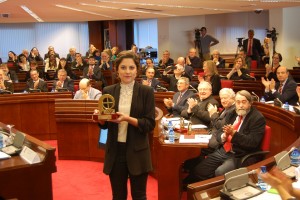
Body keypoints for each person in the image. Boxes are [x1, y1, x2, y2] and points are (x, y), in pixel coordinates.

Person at [96, 51, 155, 200]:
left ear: (137, 70)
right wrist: (100, 119)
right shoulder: (108, 91)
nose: (127, 71)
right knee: (118, 196)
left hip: (138, 150)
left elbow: (149, 124)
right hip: (115, 151)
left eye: (131, 67)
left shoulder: (146, 91)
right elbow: (105, 125)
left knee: (139, 196)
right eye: (123, 67)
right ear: (117, 70)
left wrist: (127, 119)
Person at [189, 90, 265, 182]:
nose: (240, 105)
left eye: (244, 102)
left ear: (250, 103)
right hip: (224, 150)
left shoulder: (257, 118)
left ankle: (220, 191)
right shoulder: (233, 113)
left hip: (239, 154)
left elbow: (252, 142)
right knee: (199, 171)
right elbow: (219, 132)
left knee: (220, 172)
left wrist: (234, 134)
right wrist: (224, 136)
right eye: (238, 102)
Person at [182, 88, 236, 184]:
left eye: (226, 98)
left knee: (194, 150)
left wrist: (213, 114)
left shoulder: (233, 111)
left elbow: (221, 126)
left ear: (233, 98)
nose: (223, 100)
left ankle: (191, 180)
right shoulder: (226, 108)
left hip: (218, 142)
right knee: (190, 148)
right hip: (212, 136)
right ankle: (189, 174)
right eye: (222, 98)